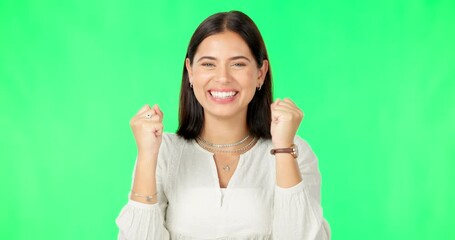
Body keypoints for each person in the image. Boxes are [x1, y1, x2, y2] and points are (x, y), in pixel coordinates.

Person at [116, 10, 331, 240]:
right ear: (190, 71)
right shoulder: (164, 151)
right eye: (208, 64)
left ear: (260, 73)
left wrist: (283, 148)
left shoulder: (294, 150)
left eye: (238, 64)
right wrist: (148, 156)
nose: (223, 78)